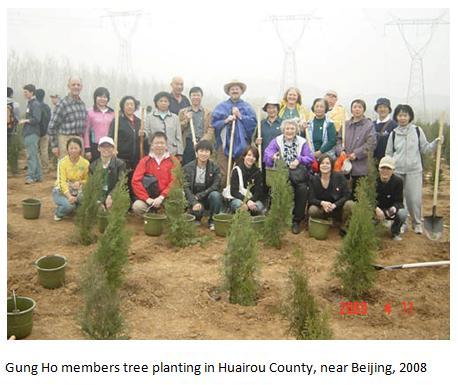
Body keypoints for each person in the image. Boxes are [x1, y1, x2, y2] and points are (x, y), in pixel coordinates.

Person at [385, 104, 442, 234]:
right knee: (400, 199)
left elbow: (425, 149)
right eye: (400, 115)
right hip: (397, 171)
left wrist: (436, 143)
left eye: (405, 115)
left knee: (414, 199)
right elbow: (388, 153)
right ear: (396, 117)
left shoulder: (417, 131)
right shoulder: (394, 133)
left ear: (410, 117)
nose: (402, 118)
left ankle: (417, 223)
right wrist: (390, 167)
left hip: (414, 170)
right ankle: (402, 223)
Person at [264, 119, 314, 234]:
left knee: (302, 190)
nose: (289, 131)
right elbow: (268, 153)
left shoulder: (302, 142)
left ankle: (296, 221)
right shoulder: (277, 141)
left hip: (298, 174)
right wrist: (273, 157)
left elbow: (310, 158)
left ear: (296, 130)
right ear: (283, 130)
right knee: (278, 187)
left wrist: (299, 160)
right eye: (287, 128)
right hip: (282, 172)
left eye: (292, 128)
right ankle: (276, 217)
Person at [211, 80, 257, 186]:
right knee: (224, 173)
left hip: (242, 146)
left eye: (237, 89)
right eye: (232, 89)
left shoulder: (247, 107)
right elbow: (214, 123)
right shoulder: (221, 107)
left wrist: (240, 116)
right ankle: (223, 198)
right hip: (224, 145)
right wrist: (226, 120)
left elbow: (253, 124)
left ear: (241, 91)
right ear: (228, 92)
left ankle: (240, 198)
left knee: (240, 172)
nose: (235, 91)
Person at [108, 95, 148, 202]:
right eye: (127, 104)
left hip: (136, 157)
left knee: (134, 180)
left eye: (132, 104)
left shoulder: (140, 122)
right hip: (122, 157)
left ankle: (133, 202)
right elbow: (111, 137)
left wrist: (143, 136)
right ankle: (121, 201)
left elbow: (145, 141)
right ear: (123, 106)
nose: (130, 107)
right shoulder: (118, 121)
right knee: (122, 180)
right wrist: (113, 149)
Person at [335, 99, 376, 198]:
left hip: (361, 167)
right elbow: (338, 140)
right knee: (343, 195)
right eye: (355, 107)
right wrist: (341, 151)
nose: (357, 109)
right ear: (351, 109)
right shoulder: (345, 124)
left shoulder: (369, 125)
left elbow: (371, 143)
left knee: (358, 195)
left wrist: (357, 154)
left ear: (363, 110)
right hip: (344, 165)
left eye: (360, 107)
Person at [131, 132, 175, 216]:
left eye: (162, 143)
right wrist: (147, 199)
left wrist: (162, 197)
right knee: (137, 206)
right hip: (149, 199)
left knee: (178, 202)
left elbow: (175, 181)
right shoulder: (145, 161)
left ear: (166, 145)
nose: (159, 145)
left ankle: (165, 214)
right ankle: (151, 214)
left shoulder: (173, 161)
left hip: (166, 198)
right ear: (151, 145)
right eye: (156, 143)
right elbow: (135, 181)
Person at [308, 154, 354, 236]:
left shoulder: (339, 177)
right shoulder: (314, 179)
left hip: (338, 209)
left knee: (350, 204)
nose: (324, 165)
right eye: (322, 163)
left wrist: (335, 205)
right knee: (312, 210)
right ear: (319, 165)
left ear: (331, 165)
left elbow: (347, 195)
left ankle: (344, 227)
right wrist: (322, 203)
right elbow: (311, 198)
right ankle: (323, 223)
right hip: (322, 209)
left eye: (327, 163)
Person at [183, 140, 223, 230]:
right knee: (196, 211)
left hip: (207, 197)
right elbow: (186, 187)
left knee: (216, 195)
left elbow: (216, 185)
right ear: (196, 152)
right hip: (193, 198)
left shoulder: (215, 168)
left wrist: (201, 195)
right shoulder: (187, 168)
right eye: (201, 151)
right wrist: (194, 201)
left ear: (210, 153)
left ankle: (213, 221)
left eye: (207, 151)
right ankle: (195, 217)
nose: (204, 154)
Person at [48, 76, 87, 159]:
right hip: (65, 140)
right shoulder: (62, 104)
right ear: (68, 86)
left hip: (79, 139)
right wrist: (54, 146)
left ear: (81, 87)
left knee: (79, 168)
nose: (76, 87)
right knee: (65, 168)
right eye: (73, 85)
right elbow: (52, 126)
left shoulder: (82, 105)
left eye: (78, 85)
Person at [52, 137, 89, 221]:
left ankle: (74, 209)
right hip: (61, 192)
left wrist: (80, 182)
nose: (73, 150)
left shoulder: (85, 163)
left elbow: (88, 180)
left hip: (78, 191)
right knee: (69, 206)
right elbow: (62, 182)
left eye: (76, 148)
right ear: (67, 150)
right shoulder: (62, 162)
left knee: (85, 202)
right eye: (71, 148)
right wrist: (69, 196)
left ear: (80, 149)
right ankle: (59, 212)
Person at [178, 86, 214, 165]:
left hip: (202, 143)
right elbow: (178, 129)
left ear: (201, 97)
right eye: (193, 95)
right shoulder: (183, 112)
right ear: (190, 97)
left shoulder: (208, 112)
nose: (196, 97)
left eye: (198, 95)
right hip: (188, 144)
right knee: (187, 166)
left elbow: (211, 129)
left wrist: (203, 141)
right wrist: (186, 120)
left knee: (202, 165)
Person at [374, 156, 408, 241]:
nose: (385, 171)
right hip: (376, 211)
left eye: (388, 168)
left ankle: (395, 232)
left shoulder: (398, 182)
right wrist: (376, 209)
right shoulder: (373, 181)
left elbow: (399, 202)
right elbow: (368, 199)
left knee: (403, 213)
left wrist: (390, 211)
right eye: (383, 168)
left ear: (393, 170)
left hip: (390, 210)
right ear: (379, 169)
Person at [89, 136, 126, 210]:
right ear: (98, 148)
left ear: (113, 149)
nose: (106, 149)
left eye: (109, 147)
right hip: (99, 196)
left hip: (113, 195)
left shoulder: (120, 164)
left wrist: (111, 196)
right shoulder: (93, 166)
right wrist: (98, 201)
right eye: (103, 146)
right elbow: (92, 185)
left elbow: (120, 183)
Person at [255, 99, 282, 195]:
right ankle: (264, 202)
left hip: (278, 159)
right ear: (266, 109)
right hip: (263, 158)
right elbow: (254, 139)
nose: (271, 110)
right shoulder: (261, 123)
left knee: (277, 183)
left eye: (274, 107)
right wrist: (256, 142)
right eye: (269, 108)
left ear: (278, 109)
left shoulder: (282, 123)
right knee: (264, 182)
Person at [145, 91, 183, 160]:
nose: (163, 103)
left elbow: (178, 136)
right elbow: (147, 133)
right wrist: (143, 133)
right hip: (155, 152)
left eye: (166, 101)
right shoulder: (149, 117)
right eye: (161, 101)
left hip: (172, 152)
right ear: (156, 103)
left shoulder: (175, 117)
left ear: (169, 103)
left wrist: (179, 153)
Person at [228, 146, 264, 215]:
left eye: (254, 156)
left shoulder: (258, 172)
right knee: (239, 205)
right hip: (239, 199)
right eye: (249, 155)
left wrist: (251, 201)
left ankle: (251, 219)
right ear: (244, 156)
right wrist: (246, 201)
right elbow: (234, 191)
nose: (251, 158)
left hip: (252, 200)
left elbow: (258, 191)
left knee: (259, 206)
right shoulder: (237, 170)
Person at [19, 84, 42, 184]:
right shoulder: (30, 103)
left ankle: (30, 176)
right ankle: (38, 175)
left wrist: (26, 120)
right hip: (28, 132)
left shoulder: (35, 104)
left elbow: (37, 119)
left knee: (31, 155)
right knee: (34, 155)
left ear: (32, 92)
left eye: (26, 92)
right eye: (24, 92)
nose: (24, 94)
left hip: (32, 133)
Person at [84, 87, 114, 161]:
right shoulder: (89, 112)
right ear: (95, 98)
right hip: (95, 145)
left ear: (108, 99)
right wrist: (87, 149)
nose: (102, 99)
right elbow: (86, 131)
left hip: (108, 146)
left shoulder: (112, 113)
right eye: (100, 96)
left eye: (105, 97)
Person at [373, 97, 397, 166]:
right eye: (380, 107)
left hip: (388, 163)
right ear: (377, 109)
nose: (382, 109)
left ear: (389, 110)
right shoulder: (371, 125)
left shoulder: (394, 125)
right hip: (373, 162)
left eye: (385, 107)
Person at [35, 89, 52, 173]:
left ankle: (37, 167)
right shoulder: (47, 107)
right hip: (45, 132)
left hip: (36, 132)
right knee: (44, 150)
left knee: (36, 150)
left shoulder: (34, 106)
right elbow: (50, 119)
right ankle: (45, 168)